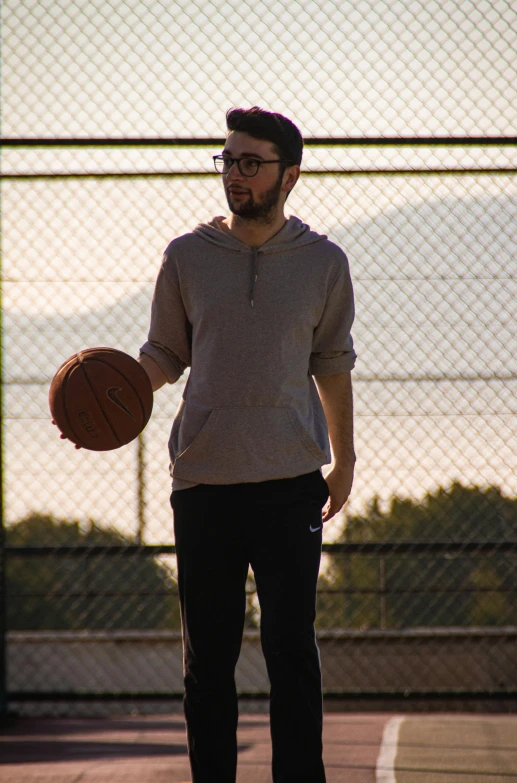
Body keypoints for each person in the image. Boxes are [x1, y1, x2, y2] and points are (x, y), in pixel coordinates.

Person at [138, 106, 357, 783]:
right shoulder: (185, 256)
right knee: (208, 663)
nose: (234, 174)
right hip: (203, 484)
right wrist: (107, 401)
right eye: (227, 160)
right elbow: (163, 355)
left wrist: (345, 460)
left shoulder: (324, 262)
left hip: (291, 480)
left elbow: (332, 362)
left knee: (292, 651)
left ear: (290, 174)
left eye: (250, 162)